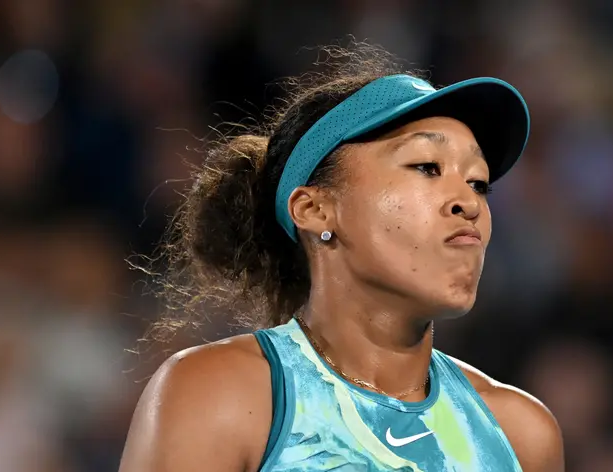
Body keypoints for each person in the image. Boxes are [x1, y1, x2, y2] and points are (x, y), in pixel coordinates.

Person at [119, 44, 564, 472]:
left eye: (479, 183)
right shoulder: (218, 393)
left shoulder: (522, 435)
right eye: (427, 167)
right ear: (315, 210)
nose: (469, 203)